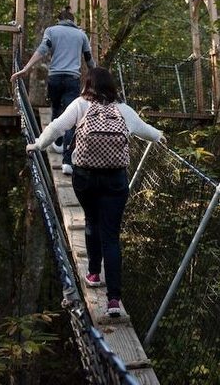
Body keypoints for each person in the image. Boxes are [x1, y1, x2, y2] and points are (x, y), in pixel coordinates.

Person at [26, 67, 166, 317]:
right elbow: (145, 130)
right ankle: (113, 300)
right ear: (111, 86)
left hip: (85, 177)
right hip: (115, 180)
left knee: (91, 221)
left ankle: (92, 273)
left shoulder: (80, 105)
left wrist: (37, 144)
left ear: (87, 85)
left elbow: (57, 127)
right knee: (111, 236)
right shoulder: (123, 109)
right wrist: (159, 136)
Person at [11, 5, 95, 174]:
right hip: (72, 79)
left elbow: (42, 50)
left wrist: (26, 68)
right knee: (72, 117)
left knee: (56, 109)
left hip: (54, 79)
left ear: (59, 20)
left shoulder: (51, 30)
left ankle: (57, 143)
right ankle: (67, 162)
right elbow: (89, 60)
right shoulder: (81, 34)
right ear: (72, 21)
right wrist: (99, 76)